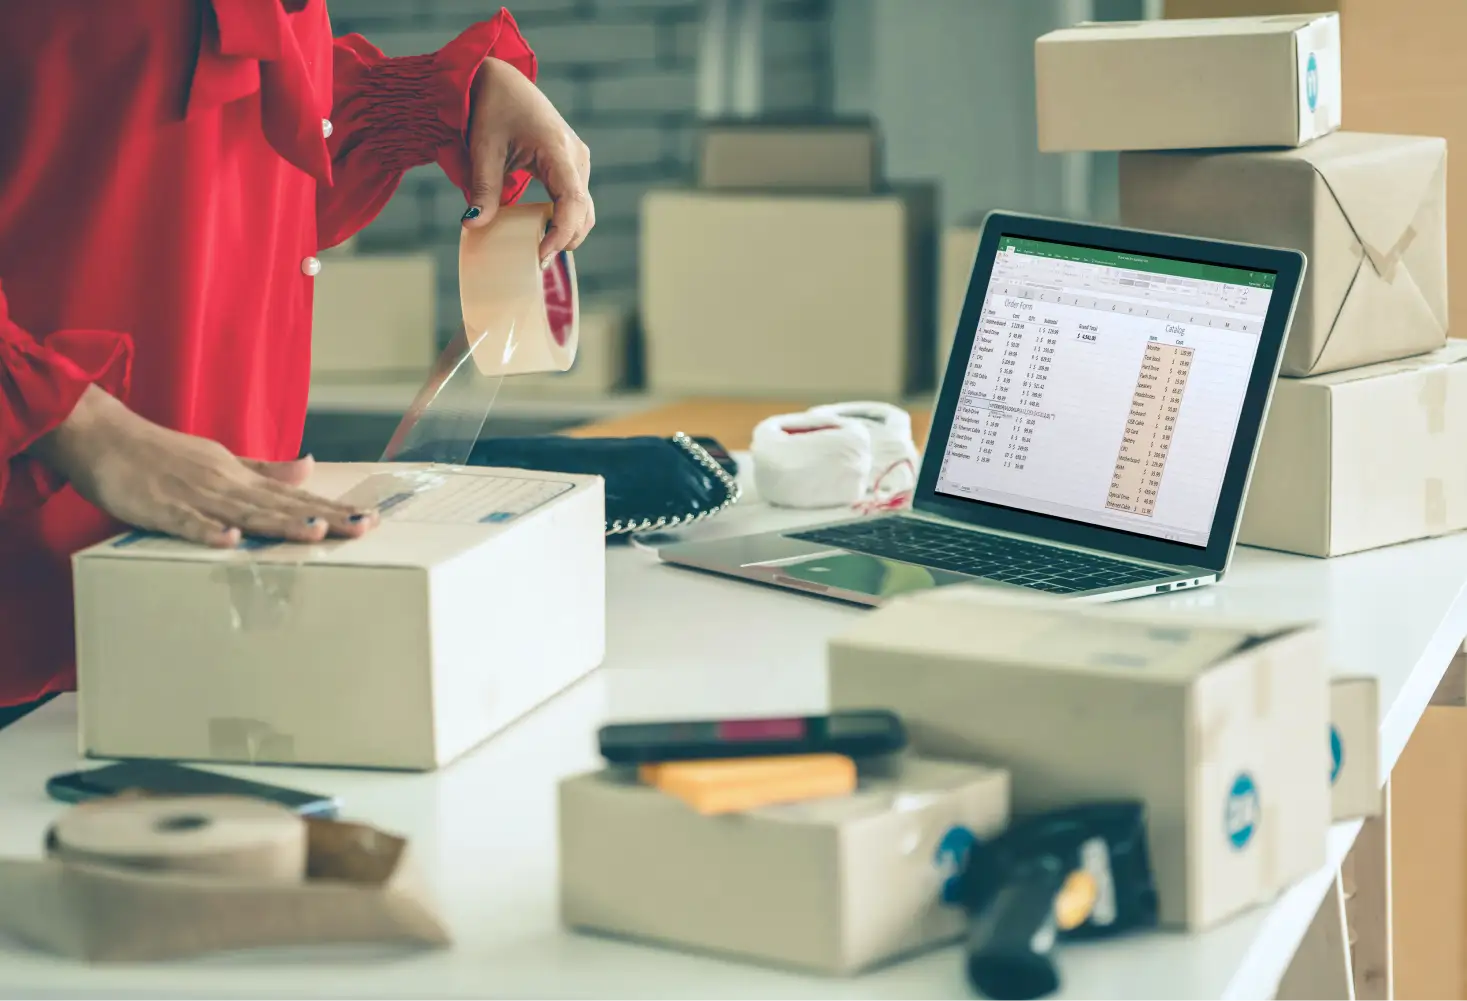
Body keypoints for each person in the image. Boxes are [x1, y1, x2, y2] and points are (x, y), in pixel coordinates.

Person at [0, 4, 594, 717]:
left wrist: (451, 100)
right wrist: (78, 423)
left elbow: (200, 153)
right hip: (27, 586)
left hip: (199, 583)